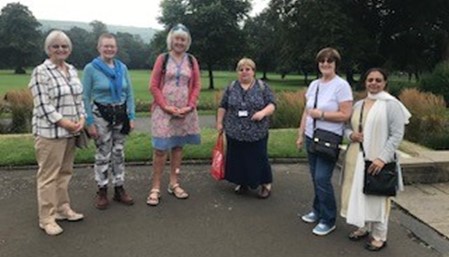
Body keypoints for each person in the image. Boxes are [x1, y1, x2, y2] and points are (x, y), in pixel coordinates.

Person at [341, 68, 411, 251]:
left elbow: (396, 135)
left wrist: (382, 158)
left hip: (379, 160)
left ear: (385, 82)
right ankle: (363, 227)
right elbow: (346, 128)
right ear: (365, 82)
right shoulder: (358, 105)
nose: (374, 83)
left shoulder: (392, 105)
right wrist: (351, 136)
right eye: (370, 79)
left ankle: (380, 236)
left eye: (378, 80)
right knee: (359, 193)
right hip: (357, 158)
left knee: (378, 197)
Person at [29, 30, 85, 236]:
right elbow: (43, 105)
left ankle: (62, 208)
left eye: (64, 46)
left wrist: (81, 119)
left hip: (71, 133)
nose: (60, 49)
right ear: (48, 49)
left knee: (65, 173)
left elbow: (79, 99)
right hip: (50, 134)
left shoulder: (71, 70)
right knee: (48, 176)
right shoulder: (41, 72)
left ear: (69, 49)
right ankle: (47, 218)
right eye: (56, 46)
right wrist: (66, 123)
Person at [296, 47, 353, 236]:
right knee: (315, 177)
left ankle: (328, 219)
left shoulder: (341, 86)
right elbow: (306, 111)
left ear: (336, 64)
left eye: (330, 61)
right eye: (322, 61)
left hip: (328, 139)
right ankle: (317, 210)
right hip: (312, 136)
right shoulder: (314, 85)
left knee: (322, 178)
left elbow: (346, 114)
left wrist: (321, 114)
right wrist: (301, 133)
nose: (325, 64)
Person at [147, 24, 201, 206]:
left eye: (183, 39)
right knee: (160, 150)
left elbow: (196, 86)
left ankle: (174, 183)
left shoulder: (192, 61)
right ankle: (155, 187)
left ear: (187, 42)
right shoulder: (162, 59)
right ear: (171, 40)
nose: (179, 42)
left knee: (178, 148)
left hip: (185, 111)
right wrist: (165, 106)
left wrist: (190, 105)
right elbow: (153, 86)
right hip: (163, 111)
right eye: (177, 38)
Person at [83, 33, 136, 209]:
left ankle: (119, 188)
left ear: (116, 48)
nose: (109, 49)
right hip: (100, 114)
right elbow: (85, 96)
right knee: (103, 153)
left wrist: (132, 116)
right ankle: (102, 189)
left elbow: (129, 94)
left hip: (120, 114)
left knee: (119, 152)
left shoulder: (122, 68)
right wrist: (89, 121)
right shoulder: (91, 69)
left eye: (112, 46)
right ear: (99, 48)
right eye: (105, 46)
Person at [216, 58, 276, 198]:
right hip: (234, 132)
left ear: (253, 72)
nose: (244, 72)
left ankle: (265, 184)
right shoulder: (231, 87)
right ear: (237, 72)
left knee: (259, 158)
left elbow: (272, 104)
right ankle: (242, 182)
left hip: (257, 132)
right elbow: (223, 105)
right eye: (241, 69)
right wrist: (219, 123)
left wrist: (262, 113)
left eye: (247, 69)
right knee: (238, 159)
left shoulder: (262, 86)